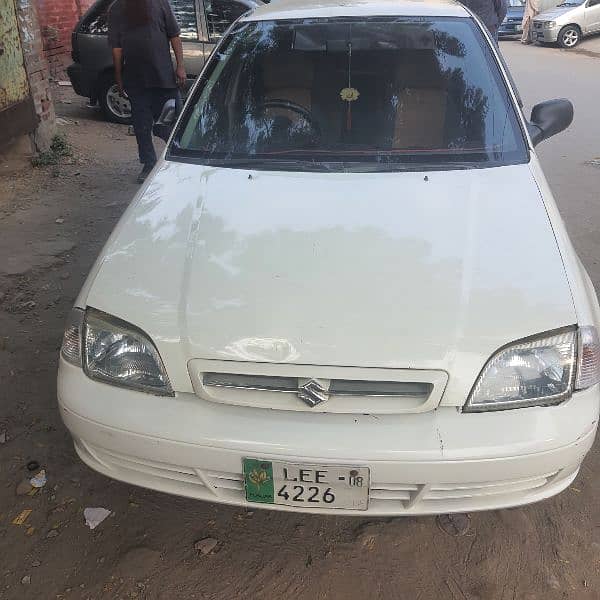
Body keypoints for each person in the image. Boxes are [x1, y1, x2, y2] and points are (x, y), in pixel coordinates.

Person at [108, 0, 186, 183]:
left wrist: (180, 66)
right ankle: (149, 164)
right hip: (136, 80)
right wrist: (119, 77)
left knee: (171, 123)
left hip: (163, 78)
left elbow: (174, 35)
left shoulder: (159, 3)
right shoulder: (117, 9)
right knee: (142, 126)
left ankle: (180, 159)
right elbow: (117, 48)